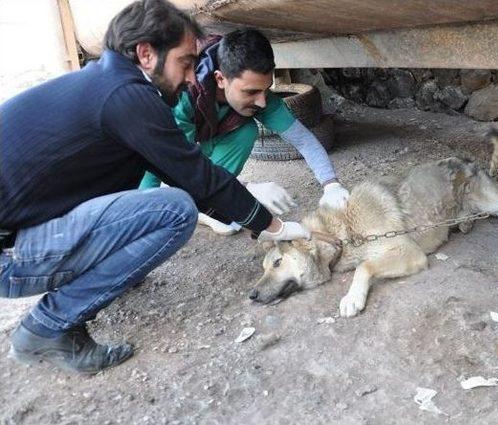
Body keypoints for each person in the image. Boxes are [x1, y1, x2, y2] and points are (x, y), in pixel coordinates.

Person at [0, 0, 309, 374]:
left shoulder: (108, 86)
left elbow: (185, 177)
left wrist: (243, 216)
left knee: (146, 203)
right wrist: (273, 226)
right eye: (185, 62)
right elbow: (197, 177)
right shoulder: (126, 98)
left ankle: (72, 304)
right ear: (146, 54)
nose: (193, 77)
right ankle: (47, 327)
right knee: (174, 211)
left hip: (17, 234)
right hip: (10, 256)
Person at [139, 29, 350, 235]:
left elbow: (303, 140)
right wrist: (247, 188)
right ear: (220, 79)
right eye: (251, 92)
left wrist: (331, 185)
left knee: (246, 130)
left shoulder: (262, 99)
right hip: (150, 149)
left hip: (204, 135)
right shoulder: (181, 94)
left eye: (266, 89)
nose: (262, 101)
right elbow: (172, 164)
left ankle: (210, 203)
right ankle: (184, 205)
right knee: (147, 212)